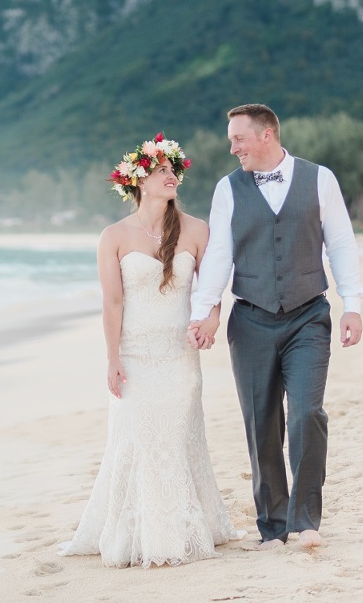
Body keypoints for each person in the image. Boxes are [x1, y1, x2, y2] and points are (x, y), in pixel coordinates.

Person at [59, 133, 242, 568]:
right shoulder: (114, 236)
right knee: (138, 440)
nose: (171, 176)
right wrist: (112, 358)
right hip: (135, 356)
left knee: (177, 438)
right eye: (161, 171)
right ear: (138, 181)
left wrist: (211, 320)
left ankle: (181, 528)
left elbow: (212, 287)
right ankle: (136, 531)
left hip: (180, 356)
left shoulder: (197, 230)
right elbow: (113, 302)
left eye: (173, 170)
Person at [188, 104, 363, 551]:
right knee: (261, 422)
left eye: (238, 139)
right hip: (249, 319)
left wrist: (352, 304)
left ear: (266, 135)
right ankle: (273, 525)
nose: (233, 148)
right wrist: (205, 309)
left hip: (309, 316)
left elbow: (341, 241)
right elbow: (220, 253)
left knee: (308, 414)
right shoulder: (228, 189)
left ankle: (305, 522)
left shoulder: (319, 179)